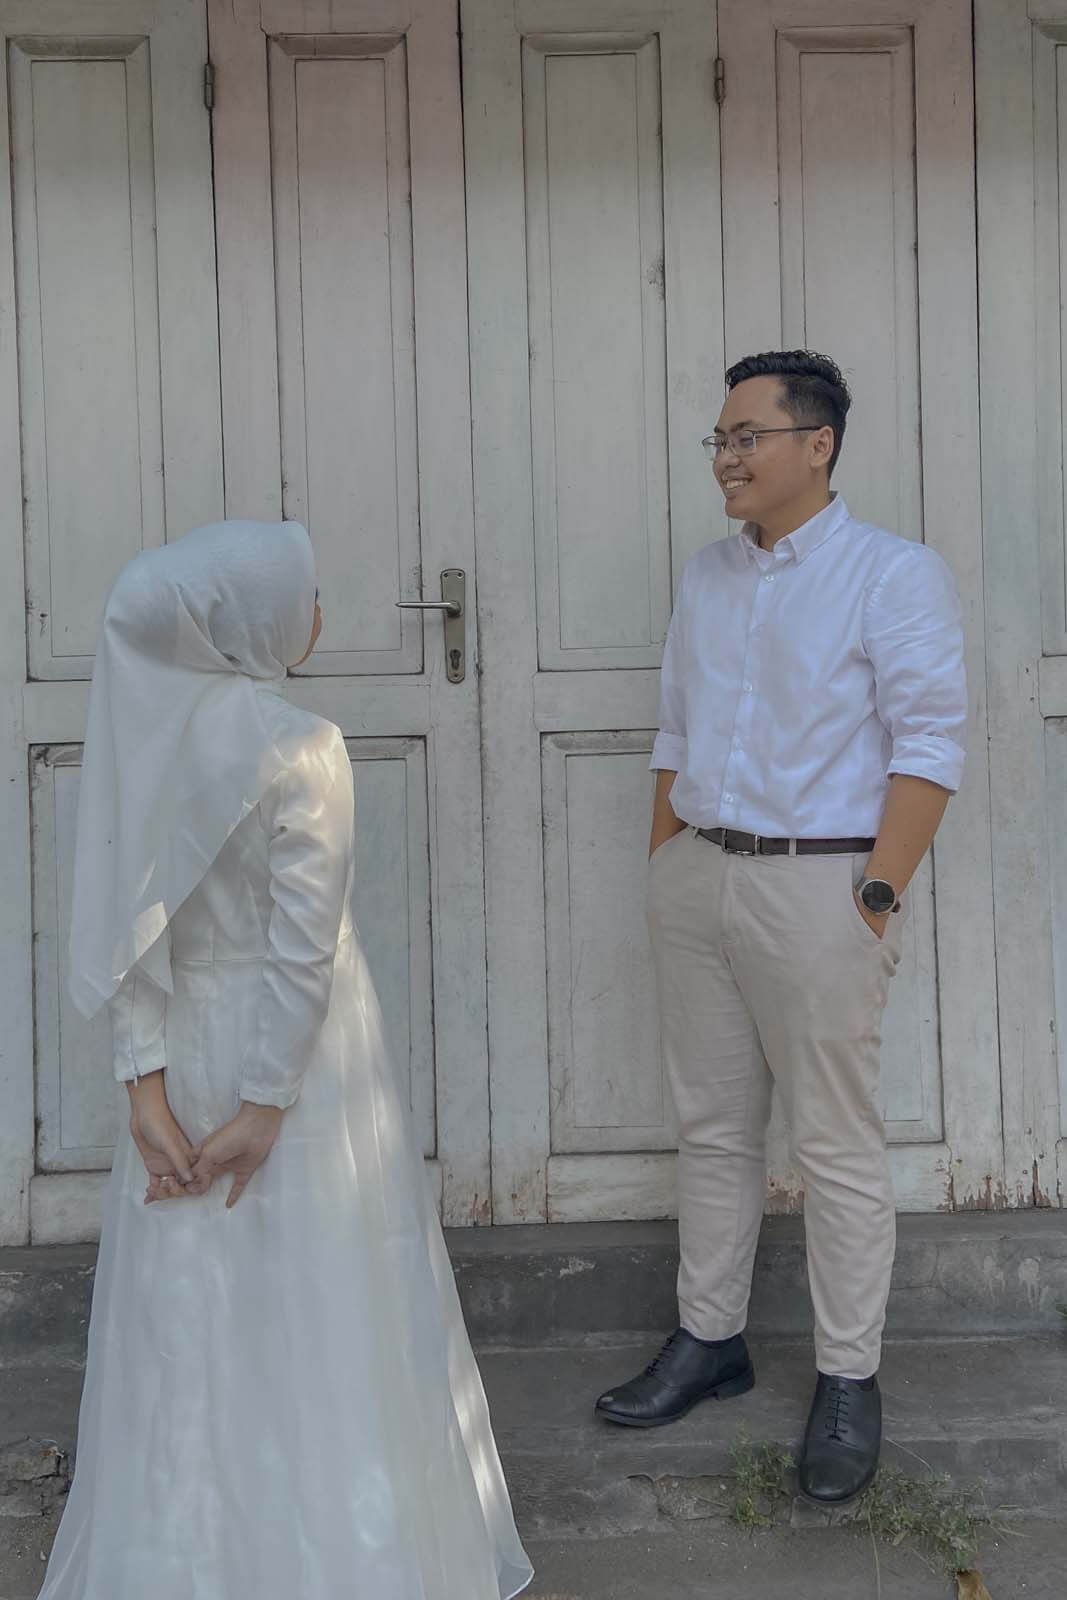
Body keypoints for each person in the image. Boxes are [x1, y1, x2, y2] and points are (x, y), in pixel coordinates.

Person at [41, 521, 532, 1600]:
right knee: (320, 1296)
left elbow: (132, 935)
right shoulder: (302, 745)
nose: (318, 614)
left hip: (183, 1057)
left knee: (188, 1307)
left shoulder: (144, 740)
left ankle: (182, 1558)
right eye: (304, 597)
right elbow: (301, 949)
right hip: (298, 1059)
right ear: (248, 622)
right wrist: (266, 1102)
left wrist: (142, 1084)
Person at [593, 351, 967, 1505]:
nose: (725, 457)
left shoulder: (890, 573)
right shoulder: (706, 576)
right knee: (711, 1127)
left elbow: (928, 742)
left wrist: (875, 894)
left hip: (820, 888)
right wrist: (666, 863)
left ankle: (846, 1376)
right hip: (699, 876)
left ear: (817, 444)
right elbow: (672, 730)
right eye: (717, 438)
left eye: (745, 435)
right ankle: (709, 1339)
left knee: (832, 1141)